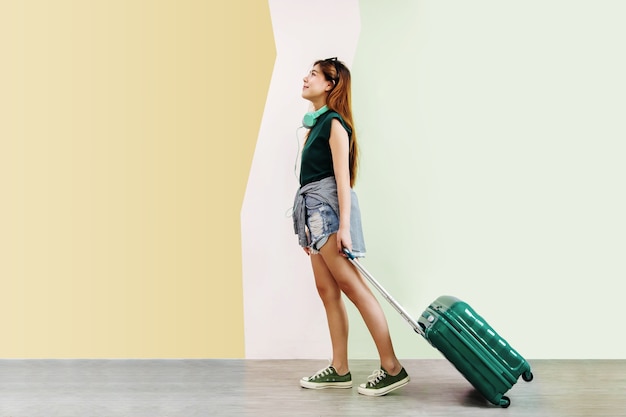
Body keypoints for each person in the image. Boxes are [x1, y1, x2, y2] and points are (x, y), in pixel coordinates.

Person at [292, 57, 410, 396]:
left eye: (313, 74)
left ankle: (392, 367)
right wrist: (307, 232)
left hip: (327, 214)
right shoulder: (315, 126)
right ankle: (340, 369)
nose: (306, 77)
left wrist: (343, 227)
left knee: (353, 288)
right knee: (327, 291)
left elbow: (343, 181)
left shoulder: (334, 124)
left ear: (330, 84)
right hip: (313, 217)